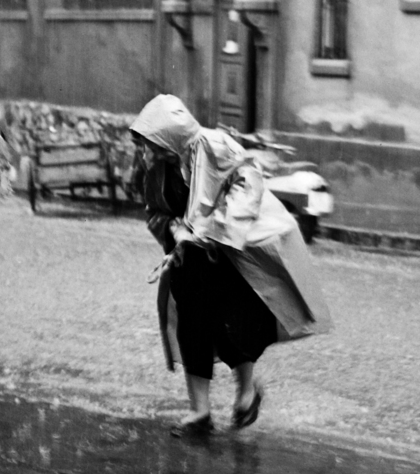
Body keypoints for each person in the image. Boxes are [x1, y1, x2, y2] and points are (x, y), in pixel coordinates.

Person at [129, 94, 333, 436]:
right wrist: (176, 230)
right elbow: (156, 213)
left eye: (151, 144)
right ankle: (200, 413)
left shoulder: (214, 145)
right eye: (145, 145)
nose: (146, 153)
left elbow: (248, 181)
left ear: (169, 137)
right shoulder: (155, 171)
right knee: (192, 325)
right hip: (189, 259)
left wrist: (217, 228)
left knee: (234, 324)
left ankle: (246, 393)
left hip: (234, 253)